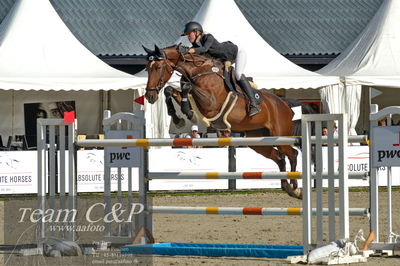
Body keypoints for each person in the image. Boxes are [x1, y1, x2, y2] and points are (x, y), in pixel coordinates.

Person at [181, 21, 260, 116]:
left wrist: (188, 50)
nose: (188, 37)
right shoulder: (196, 46)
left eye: (190, 34)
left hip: (237, 53)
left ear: (197, 32)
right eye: (187, 35)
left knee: (238, 74)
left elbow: (205, 49)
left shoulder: (208, 37)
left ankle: (254, 104)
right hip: (224, 60)